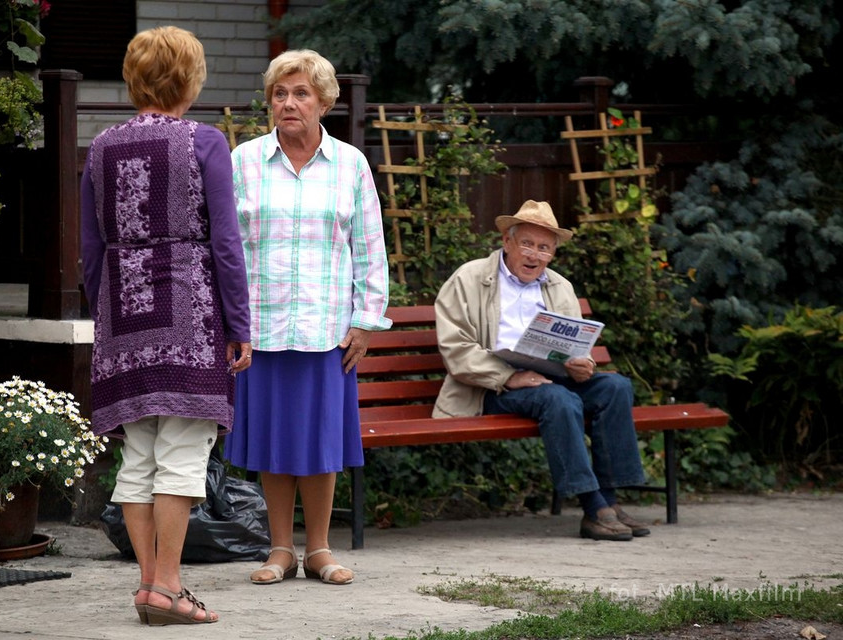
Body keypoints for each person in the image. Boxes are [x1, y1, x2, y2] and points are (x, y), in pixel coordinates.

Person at [80, 26, 252, 624]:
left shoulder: (100, 146)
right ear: (188, 78)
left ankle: (150, 584)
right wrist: (239, 323)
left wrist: (105, 318)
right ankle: (171, 587)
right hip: (190, 310)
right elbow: (226, 243)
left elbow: (91, 247)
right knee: (183, 450)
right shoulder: (204, 142)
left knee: (139, 455)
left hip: (122, 312)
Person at [224, 49, 392, 585]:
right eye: (280, 93)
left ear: (323, 102)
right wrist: (232, 323)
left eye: (300, 93)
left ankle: (319, 550)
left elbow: (369, 247)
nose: (289, 103)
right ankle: (279, 550)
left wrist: (367, 320)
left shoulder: (351, 165)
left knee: (320, 444)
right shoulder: (244, 161)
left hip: (327, 330)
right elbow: (225, 248)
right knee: (275, 442)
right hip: (264, 328)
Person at [433, 200, 651, 542]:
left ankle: (610, 500)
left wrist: (582, 364)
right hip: (491, 388)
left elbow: (576, 343)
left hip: (551, 378)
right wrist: (508, 377)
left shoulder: (558, 286)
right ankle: (594, 506)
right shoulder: (470, 278)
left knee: (615, 387)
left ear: (552, 253)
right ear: (507, 242)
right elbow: (455, 348)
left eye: (544, 248)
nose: (534, 255)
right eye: (527, 244)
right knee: (558, 399)